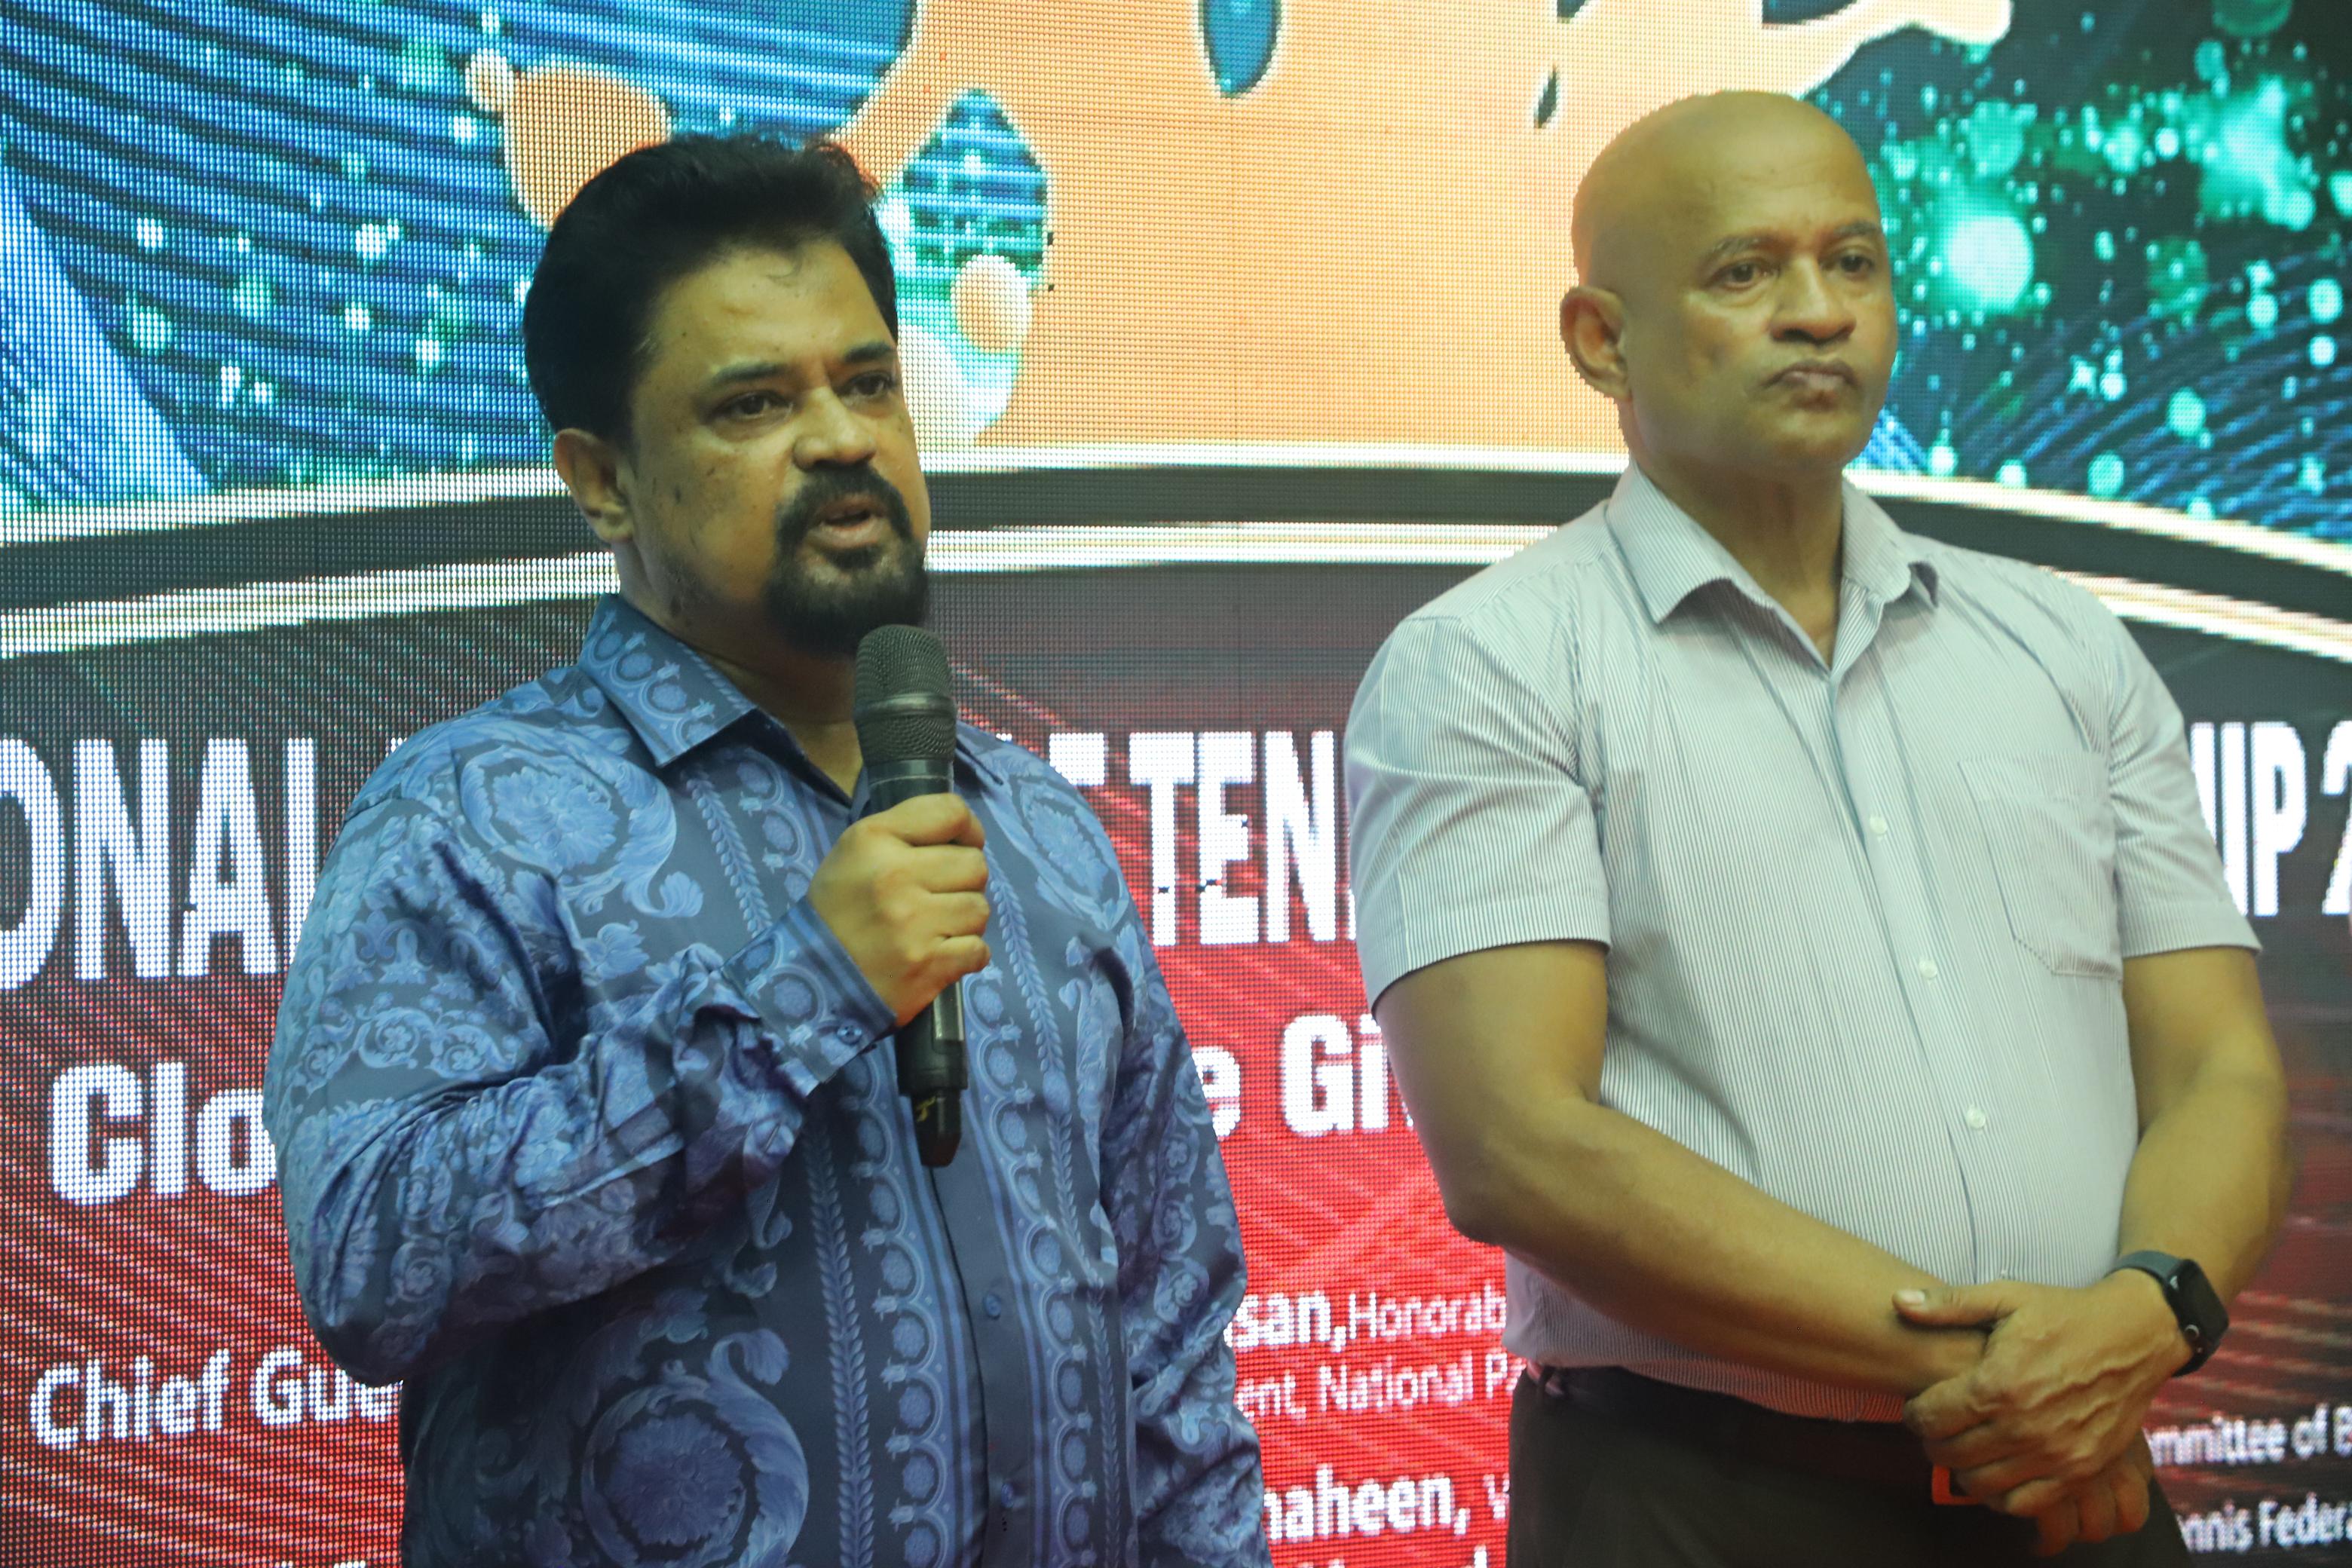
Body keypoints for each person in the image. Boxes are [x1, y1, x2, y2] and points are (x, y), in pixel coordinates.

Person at [264, 134, 1270, 1568]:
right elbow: (373, 1263)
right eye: (754, 403)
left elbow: (1171, 1334)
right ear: (602, 480)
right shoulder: (473, 813)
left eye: (869, 383)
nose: (844, 439)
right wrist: (804, 991)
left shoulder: (1035, 826)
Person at [1345, 91, 2290, 1565]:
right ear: (1600, 340)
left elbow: (2217, 1062)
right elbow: (1520, 1144)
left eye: (1854, 262)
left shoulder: (2061, 645)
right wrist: (2019, 1378)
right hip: (1705, 1497)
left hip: (2079, 1475)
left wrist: (2145, 1313)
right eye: (1746, 272)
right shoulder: (1490, 666)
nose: (1819, 313)